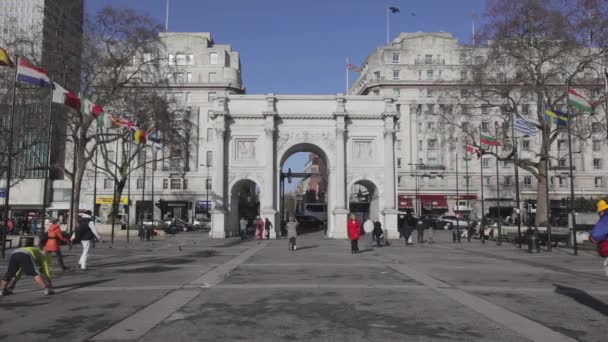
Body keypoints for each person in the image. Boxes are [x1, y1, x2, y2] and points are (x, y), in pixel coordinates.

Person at [590, 199, 608, 277]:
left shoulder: (606, 219)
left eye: (599, 213)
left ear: (603, 211)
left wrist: (591, 237)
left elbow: (595, 235)